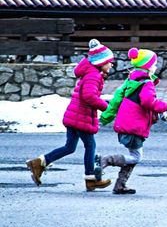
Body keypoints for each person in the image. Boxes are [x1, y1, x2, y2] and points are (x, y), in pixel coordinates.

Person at [26, 39, 114, 191]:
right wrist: (106, 107)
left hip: (74, 116)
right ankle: (90, 178)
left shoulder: (90, 73)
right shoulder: (94, 76)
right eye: (109, 62)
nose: (111, 65)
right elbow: (89, 96)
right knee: (90, 145)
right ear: (101, 62)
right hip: (81, 116)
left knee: (70, 147)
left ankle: (39, 163)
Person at [99, 47, 167, 194]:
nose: (155, 66)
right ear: (148, 66)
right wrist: (164, 105)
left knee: (133, 156)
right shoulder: (145, 83)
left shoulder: (132, 79)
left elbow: (117, 98)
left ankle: (120, 185)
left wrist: (107, 116)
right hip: (134, 126)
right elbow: (148, 101)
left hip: (127, 124)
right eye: (154, 64)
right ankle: (105, 160)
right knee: (136, 157)